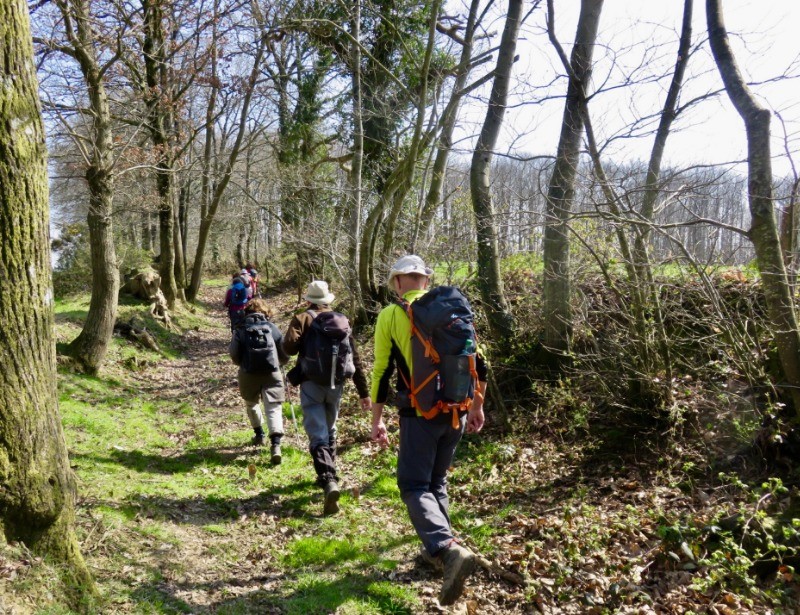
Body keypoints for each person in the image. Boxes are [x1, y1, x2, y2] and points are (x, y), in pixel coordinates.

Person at [369, 255, 487, 606]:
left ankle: (446, 549)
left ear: (397, 282)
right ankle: (441, 555)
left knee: (413, 484)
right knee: (436, 482)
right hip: (458, 410)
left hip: (419, 413)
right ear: (426, 280)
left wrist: (376, 419)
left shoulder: (392, 315)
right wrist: (477, 406)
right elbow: (479, 362)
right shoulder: (454, 310)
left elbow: (382, 370)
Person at [282, 280, 371, 515]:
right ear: (328, 300)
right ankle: (330, 472)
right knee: (330, 428)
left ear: (309, 299)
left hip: (311, 382)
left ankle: (328, 479)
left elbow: (289, 348)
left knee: (317, 432)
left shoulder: (303, 318)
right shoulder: (342, 320)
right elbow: (354, 357)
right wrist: (364, 392)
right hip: (337, 384)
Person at [229, 298, 289, 463]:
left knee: (251, 404)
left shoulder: (240, 329)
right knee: (273, 407)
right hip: (272, 372)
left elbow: (234, 355)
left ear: (246, 312)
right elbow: (284, 352)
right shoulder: (272, 328)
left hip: (248, 373)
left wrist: (243, 363)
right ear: (265, 312)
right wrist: (281, 362)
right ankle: (276, 444)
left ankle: (260, 435)